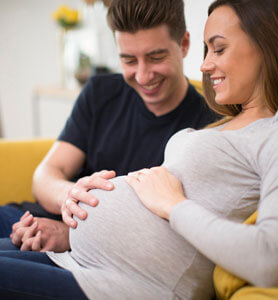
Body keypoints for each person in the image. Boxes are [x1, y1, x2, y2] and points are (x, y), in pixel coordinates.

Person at [0, 0, 278, 299]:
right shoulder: (231, 121)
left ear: (266, 45)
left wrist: (173, 205)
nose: (205, 65)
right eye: (207, 51)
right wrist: (74, 202)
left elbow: (270, 259)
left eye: (218, 49)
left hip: (118, 283)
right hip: (79, 256)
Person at [0, 0, 218, 251]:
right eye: (129, 60)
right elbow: (45, 176)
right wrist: (70, 198)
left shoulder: (208, 126)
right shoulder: (100, 92)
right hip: (34, 219)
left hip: (86, 250)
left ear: (184, 44)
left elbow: (167, 233)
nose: (143, 76)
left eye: (155, 57)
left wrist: (74, 235)